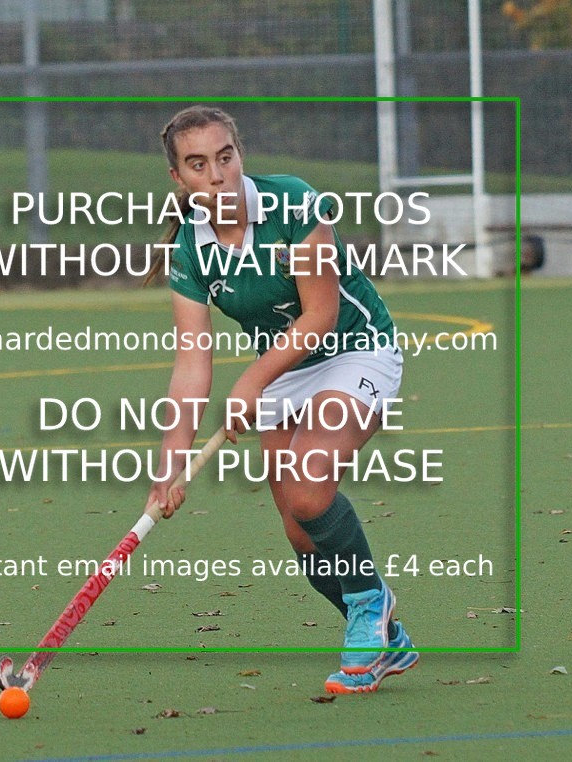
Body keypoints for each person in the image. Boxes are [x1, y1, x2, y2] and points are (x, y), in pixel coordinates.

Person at [144, 105, 418, 693]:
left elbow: (321, 316)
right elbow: (191, 365)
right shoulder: (190, 253)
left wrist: (251, 380)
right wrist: (171, 467)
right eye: (198, 164)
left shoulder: (294, 204)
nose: (216, 175)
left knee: (310, 488)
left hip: (354, 348)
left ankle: (373, 603)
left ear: (239, 153)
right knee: (300, 530)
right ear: (179, 178)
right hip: (286, 373)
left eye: (225, 156)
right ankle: (385, 637)